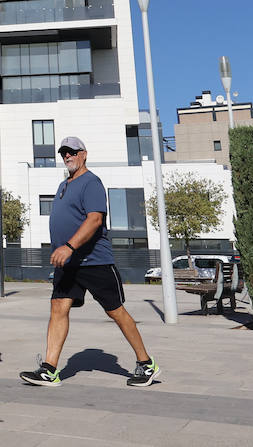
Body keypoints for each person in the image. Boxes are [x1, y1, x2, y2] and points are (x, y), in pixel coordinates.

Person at [19, 137, 160, 388]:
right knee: (58, 308)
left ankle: (146, 363)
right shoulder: (64, 185)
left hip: (94, 261)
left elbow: (94, 220)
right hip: (68, 264)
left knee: (116, 311)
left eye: (72, 152)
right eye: (63, 153)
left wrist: (69, 246)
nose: (67, 156)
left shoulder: (91, 182)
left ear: (83, 154)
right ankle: (49, 369)